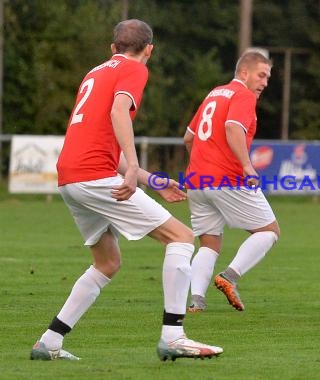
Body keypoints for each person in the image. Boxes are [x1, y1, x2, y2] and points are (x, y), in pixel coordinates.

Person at [30, 19, 222, 361]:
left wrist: (151, 179)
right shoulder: (134, 68)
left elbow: (101, 143)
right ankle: (174, 335)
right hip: (94, 176)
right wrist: (133, 166)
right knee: (180, 237)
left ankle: (50, 341)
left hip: (70, 177)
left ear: (112, 47)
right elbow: (120, 112)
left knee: (107, 262)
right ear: (149, 49)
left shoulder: (94, 73)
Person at [183, 51, 280, 313]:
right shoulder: (243, 95)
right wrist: (247, 166)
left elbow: (188, 138)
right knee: (269, 231)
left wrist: (202, 165)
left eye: (268, 77)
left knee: (209, 243)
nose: (265, 82)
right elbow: (232, 127)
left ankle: (197, 301)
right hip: (227, 178)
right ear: (244, 72)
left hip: (196, 180)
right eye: (261, 75)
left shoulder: (214, 93)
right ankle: (229, 277)